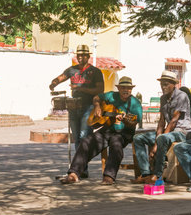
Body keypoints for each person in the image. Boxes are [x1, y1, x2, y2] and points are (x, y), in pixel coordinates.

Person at [59, 77, 142, 185]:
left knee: (116, 143)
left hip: (124, 132)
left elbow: (134, 122)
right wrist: (98, 106)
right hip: (108, 129)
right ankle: (74, 174)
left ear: (131, 89)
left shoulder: (135, 103)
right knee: (86, 141)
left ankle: (109, 176)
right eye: (123, 87)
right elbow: (96, 97)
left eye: (128, 88)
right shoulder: (112, 95)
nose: (126, 90)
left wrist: (126, 121)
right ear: (119, 88)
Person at [49, 45, 104, 178]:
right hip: (74, 107)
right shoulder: (72, 70)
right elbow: (61, 77)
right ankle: (81, 169)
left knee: (84, 136)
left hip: (88, 107)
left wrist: (80, 88)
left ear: (88, 56)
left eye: (83, 55)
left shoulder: (95, 71)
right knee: (77, 139)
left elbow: (100, 90)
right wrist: (53, 83)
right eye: (78, 55)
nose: (80, 57)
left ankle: (80, 168)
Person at [131, 71, 191, 184]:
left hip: (182, 132)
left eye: (166, 84)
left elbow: (173, 121)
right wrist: (155, 142)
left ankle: (157, 174)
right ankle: (146, 173)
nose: (163, 86)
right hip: (168, 132)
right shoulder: (163, 98)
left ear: (174, 84)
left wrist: (157, 143)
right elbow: (161, 122)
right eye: (162, 84)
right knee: (138, 138)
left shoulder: (181, 96)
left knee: (162, 139)